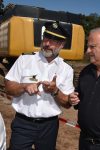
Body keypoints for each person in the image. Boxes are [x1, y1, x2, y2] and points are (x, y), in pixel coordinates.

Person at [5, 21, 74, 150]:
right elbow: (8, 87)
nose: (47, 43)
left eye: (53, 40)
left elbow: (67, 103)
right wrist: (24, 87)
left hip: (49, 126)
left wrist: (55, 91)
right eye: (46, 37)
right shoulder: (25, 59)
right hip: (23, 124)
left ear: (62, 44)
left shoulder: (67, 69)